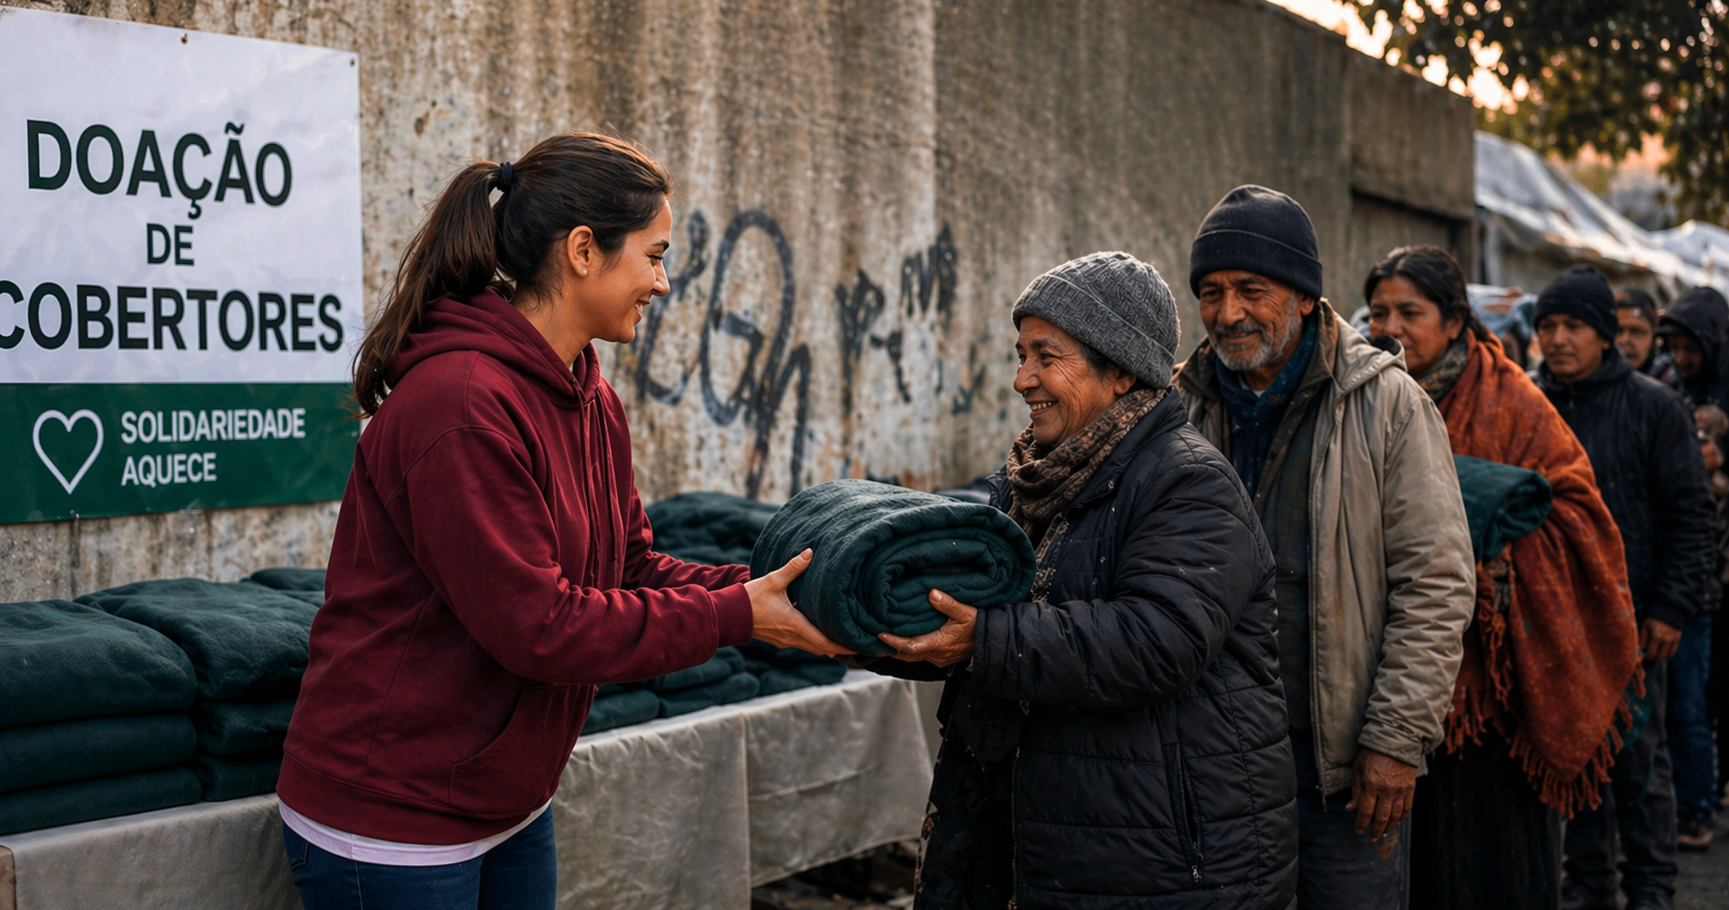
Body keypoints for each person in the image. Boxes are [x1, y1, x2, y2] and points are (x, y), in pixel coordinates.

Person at [277, 134, 848, 910]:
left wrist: (788, 588)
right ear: (583, 250)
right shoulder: (462, 405)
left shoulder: (587, 389)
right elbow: (538, 627)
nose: (663, 280)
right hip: (393, 820)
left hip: (507, 801)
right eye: (653, 254)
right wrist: (736, 616)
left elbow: (629, 569)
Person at [861, 252, 1297, 909]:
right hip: (1037, 831)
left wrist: (985, 641)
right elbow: (980, 612)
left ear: (1120, 370)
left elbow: (1156, 640)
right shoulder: (1030, 476)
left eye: (1045, 356)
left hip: (1161, 859)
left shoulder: (1188, 483)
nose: (1021, 380)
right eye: (1021, 354)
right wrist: (877, 623)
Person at [1172, 186, 1476, 909]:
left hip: (1340, 768)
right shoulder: (1182, 404)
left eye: (1252, 289)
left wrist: (1395, 741)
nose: (1227, 312)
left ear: (1306, 297)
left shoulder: (1388, 404)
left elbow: (1434, 584)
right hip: (1210, 760)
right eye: (1210, 292)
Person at [1364, 246, 1640, 910]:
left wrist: (1474, 527)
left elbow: (1578, 516)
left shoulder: (1514, 400)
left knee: (1498, 871)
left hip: (1496, 697)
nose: (1391, 327)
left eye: (1410, 311)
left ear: (1456, 321)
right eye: (1378, 312)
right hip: (1395, 687)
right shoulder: (1362, 400)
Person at [1531, 266, 1718, 910]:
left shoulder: (1654, 406)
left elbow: (1690, 516)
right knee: (1573, 760)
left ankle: (1651, 889)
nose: (1558, 339)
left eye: (1574, 326)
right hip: (1555, 624)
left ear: (1606, 335)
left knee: (1640, 766)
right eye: (1547, 326)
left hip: (1636, 624)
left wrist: (1670, 609)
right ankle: (1589, 884)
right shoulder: (1531, 404)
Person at [1617, 289, 1678, 387]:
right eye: (1618, 331)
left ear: (1654, 333)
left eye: (1637, 332)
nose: (1625, 340)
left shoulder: (1670, 382)